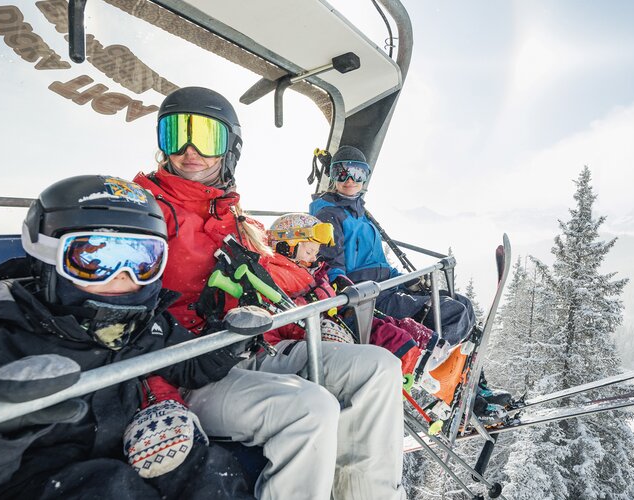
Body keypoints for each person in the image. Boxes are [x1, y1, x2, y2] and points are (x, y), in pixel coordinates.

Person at [133, 87, 406, 500]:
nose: (189, 150)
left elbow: (280, 283)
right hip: (192, 372)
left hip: (256, 348)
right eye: (175, 134)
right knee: (313, 409)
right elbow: (125, 316)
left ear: (230, 148)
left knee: (380, 367)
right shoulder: (146, 214)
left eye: (206, 137)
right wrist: (160, 397)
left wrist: (303, 326)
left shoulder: (233, 217)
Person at [0, 175, 252, 499]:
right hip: (34, 481)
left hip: (121, 448)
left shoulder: (141, 323)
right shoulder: (1, 343)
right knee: (109, 488)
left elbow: (187, 365)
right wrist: (6, 422)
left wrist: (227, 343)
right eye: (95, 258)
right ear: (48, 258)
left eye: (141, 260)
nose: (121, 276)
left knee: (206, 469)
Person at [309, 145, 477, 347]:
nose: (350, 180)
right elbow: (330, 265)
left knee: (462, 303)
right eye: (341, 173)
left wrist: (406, 280)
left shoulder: (361, 214)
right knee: (452, 312)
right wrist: (344, 286)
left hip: (387, 286)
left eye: (357, 173)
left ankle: (455, 357)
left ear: (365, 177)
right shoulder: (328, 215)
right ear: (333, 176)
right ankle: (428, 363)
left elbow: (380, 264)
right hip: (369, 296)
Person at [265, 212, 423, 377]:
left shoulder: (306, 269)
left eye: (315, 253)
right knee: (384, 335)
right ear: (286, 245)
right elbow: (281, 312)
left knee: (390, 326)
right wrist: (318, 296)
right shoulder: (276, 272)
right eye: (309, 251)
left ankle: (424, 355)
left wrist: (333, 285)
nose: (313, 259)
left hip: (333, 315)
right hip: (317, 328)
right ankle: (408, 367)